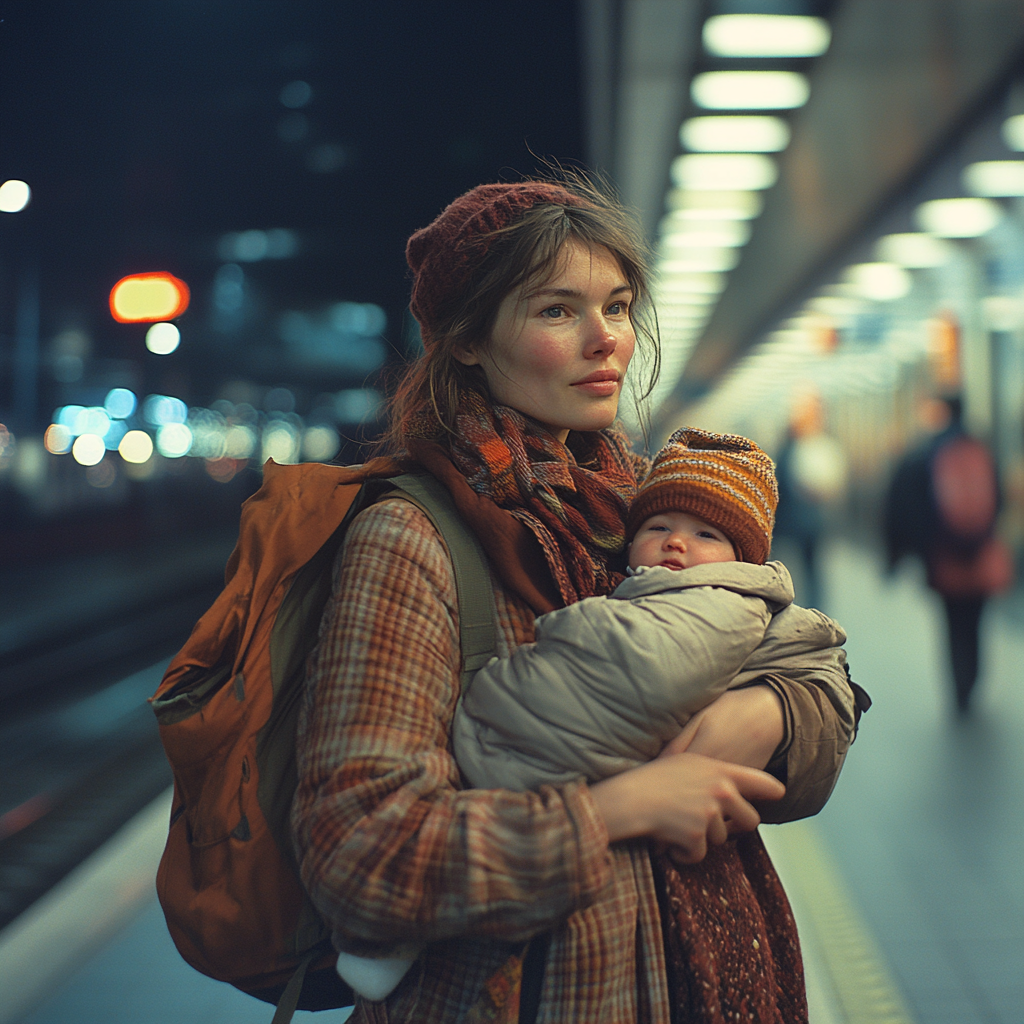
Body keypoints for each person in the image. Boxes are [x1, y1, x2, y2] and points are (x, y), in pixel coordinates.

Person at [292, 177, 862, 1023]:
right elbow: (359, 853)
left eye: (620, 305)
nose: (608, 341)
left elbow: (820, 673)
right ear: (468, 340)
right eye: (558, 311)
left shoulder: (647, 503)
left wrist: (774, 718)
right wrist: (610, 812)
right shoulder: (416, 536)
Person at [884, 396, 1013, 713]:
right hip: (980, 553)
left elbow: (904, 509)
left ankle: (960, 689)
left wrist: (901, 555)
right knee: (976, 622)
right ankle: (975, 680)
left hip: (943, 558)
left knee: (952, 624)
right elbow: (999, 500)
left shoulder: (924, 453)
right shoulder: (981, 450)